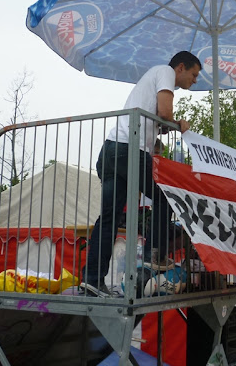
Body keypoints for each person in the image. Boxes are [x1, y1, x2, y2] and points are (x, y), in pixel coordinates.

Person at [81, 51, 201, 297]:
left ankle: (92, 279)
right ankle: (152, 254)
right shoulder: (166, 72)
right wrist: (179, 124)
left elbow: (158, 118)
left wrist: (163, 126)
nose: (195, 80)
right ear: (180, 67)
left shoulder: (153, 76)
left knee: (109, 219)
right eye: (194, 74)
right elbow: (166, 113)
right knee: (166, 195)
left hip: (112, 149)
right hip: (130, 150)